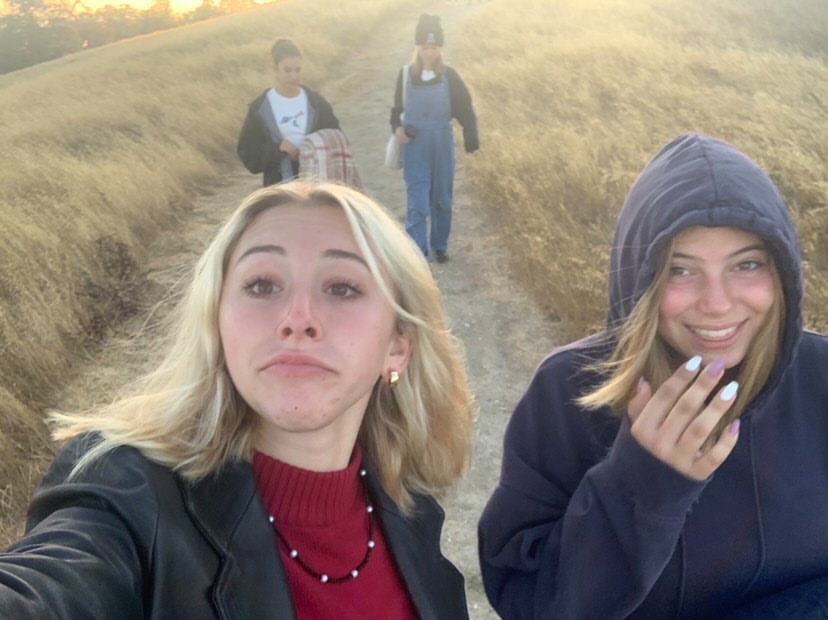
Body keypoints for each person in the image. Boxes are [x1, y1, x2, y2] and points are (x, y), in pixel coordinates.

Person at [0, 180, 474, 619]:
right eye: (262, 285)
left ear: (397, 347)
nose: (297, 318)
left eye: (343, 287)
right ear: (218, 325)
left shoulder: (410, 510)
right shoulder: (127, 496)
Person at [478, 133, 828, 619]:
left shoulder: (820, 379)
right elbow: (530, 602)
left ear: (784, 270)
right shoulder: (570, 393)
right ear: (639, 278)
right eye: (680, 270)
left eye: (747, 264)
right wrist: (643, 485)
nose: (718, 302)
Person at [390, 14, 479, 264]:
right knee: (418, 200)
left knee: (442, 200)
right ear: (417, 48)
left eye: (434, 48)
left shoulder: (449, 76)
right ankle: (418, 253)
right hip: (415, 146)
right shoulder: (405, 75)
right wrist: (397, 128)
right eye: (425, 47)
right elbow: (396, 110)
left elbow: (465, 107)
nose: (429, 53)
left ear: (440, 49)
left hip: (441, 143)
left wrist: (471, 137)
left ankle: (439, 244)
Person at [238, 39, 340, 187]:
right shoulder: (260, 108)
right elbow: (248, 155)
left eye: (298, 70)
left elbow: (335, 137)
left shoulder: (316, 103)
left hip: (318, 186)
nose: (294, 76)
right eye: (287, 70)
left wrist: (312, 148)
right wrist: (278, 149)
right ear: (275, 68)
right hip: (279, 191)